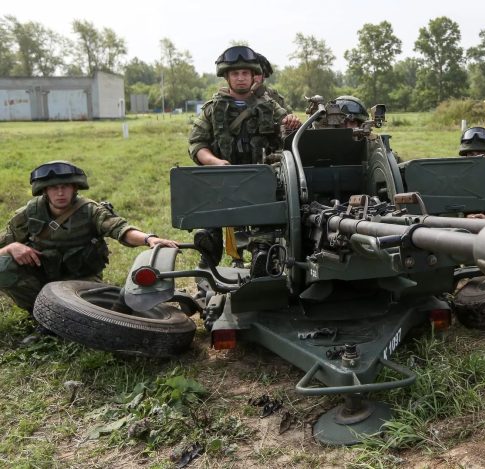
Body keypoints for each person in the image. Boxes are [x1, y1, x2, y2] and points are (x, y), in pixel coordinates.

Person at [0, 161, 178, 315]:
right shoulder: (30, 213)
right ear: (45, 191)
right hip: (41, 276)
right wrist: (11, 248)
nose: (60, 193)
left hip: (81, 279)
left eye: (65, 187)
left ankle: (54, 317)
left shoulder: (89, 210)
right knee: (3, 264)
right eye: (54, 188)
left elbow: (120, 228)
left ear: (74, 188)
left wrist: (149, 239)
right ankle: (38, 312)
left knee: (92, 312)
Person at [188, 46, 300, 273]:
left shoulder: (270, 106)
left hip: (262, 179)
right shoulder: (212, 109)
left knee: (267, 227)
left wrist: (291, 123)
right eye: (236, 74)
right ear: (227, 77)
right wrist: (214, 162)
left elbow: (289, 133)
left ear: (253, 77)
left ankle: (262, 257)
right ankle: (207, 269)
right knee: (208, 234)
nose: (241, 78)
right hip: (223, 179)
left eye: (245, 74)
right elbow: (197, 144)